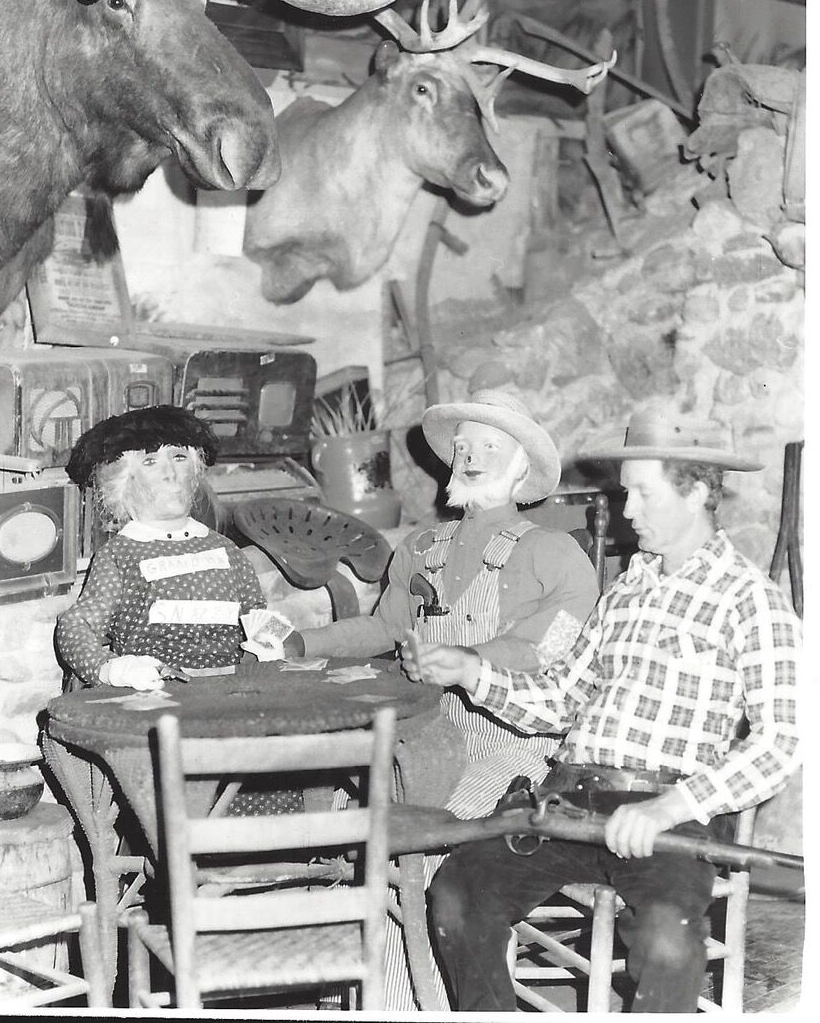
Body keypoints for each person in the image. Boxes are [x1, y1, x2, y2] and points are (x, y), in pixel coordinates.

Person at [403, 406, 801, 1013]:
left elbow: (782, 741)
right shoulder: (626, 588)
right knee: (456, 892)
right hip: (565, 802)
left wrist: (669, 808)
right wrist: (473, 672)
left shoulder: (750, 600)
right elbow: (563, 696)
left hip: (668, 817)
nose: (627, 511)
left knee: (669, 944)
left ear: (695, 492)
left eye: (642, 493)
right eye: (624, 494)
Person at [289, 388, 600, 1009]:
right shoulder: (421, 549)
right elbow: (383, 628)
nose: (473, 457)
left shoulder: (553, 553)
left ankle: (429, 1005)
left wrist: (466, 663)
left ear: (521, 468)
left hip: (518, 750)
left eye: (491, 446)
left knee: (420, 847)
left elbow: (550, 648)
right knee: (370, 835)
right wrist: (301, 641)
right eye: (464, 446)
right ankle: (381, 1000)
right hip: (428, 737)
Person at [56, 404, 267, 691]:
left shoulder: (225, 549)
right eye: (150, 462)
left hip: (227, 690)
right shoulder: (121, 554)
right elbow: (77, 626)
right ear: (122, 482)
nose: (170, 473)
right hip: (151, 691)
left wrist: (276, 640)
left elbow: (259, 616)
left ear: (194, 469)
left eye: (179, 457)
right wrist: (112, 669)